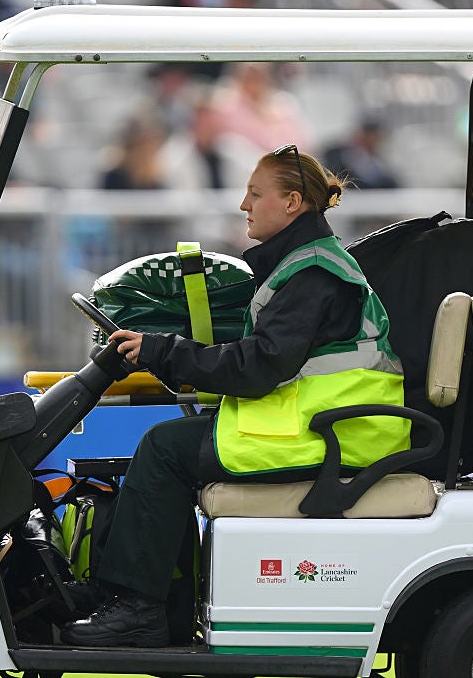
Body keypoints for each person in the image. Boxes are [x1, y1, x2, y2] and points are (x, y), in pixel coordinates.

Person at [61, 145, 409, 647]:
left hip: (334, 432)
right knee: (170, 445)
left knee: (164, 450)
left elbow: (258, 366)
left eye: (254, 193)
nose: (243, 205)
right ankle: (155, 604)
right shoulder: (303, 263)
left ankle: (139, 611)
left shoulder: (313, 274)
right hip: (325, 422)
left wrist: (166, 351)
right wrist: (167, 353)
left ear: (292, 202)